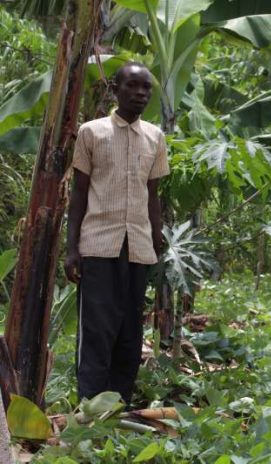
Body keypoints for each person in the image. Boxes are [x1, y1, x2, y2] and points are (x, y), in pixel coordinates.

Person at [63, 62, 169, 404]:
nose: (140, 94)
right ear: (115, 89)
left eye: (146, 88)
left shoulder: (155, 137)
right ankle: (90, 405)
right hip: (98, 244)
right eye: (133, 86)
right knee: (96, 329)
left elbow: (151, 194)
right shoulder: (91, 132)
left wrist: (157, 236)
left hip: (137, 246)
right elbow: (79, 193)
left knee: (129, 331)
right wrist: (71, 249)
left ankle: (119, 403)